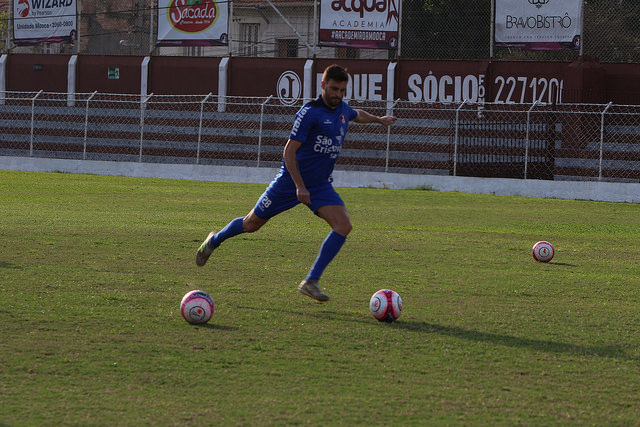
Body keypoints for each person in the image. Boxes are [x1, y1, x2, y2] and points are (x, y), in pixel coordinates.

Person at [196, 64, 397, 302]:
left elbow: (356, 114)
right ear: (323, 85)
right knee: (251, 224)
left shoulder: (342, 109)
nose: (338, 95)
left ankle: (311, 281)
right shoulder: (309, 112)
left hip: (321, 185)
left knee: (343, 226)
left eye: (342, 90)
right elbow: (289, 152)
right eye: (334, 89)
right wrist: (299, 186)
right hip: (289, 183)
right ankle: (213, 241)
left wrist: (379, 119)